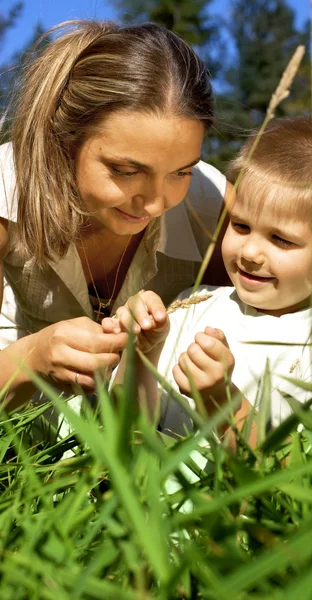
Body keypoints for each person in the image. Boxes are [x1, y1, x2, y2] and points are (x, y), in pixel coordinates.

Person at [106, 116, 312, 446]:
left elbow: (303, 472)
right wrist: (142, 355)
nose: (250, 252)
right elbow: (130, 430)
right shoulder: (192, 305)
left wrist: (222, 404)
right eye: (240, 226)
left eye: (281, 239)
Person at [0, 20, 231, 411]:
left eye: (181, 171)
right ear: (65, 139)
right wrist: (32, 357)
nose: (156, 204)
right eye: (127, 171)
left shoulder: (213, 205)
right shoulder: (5, 194)